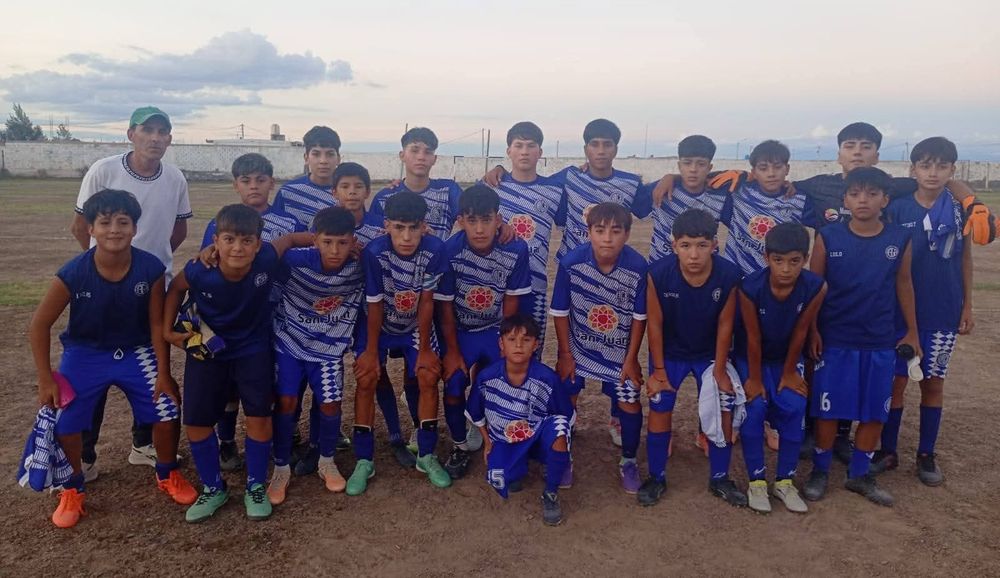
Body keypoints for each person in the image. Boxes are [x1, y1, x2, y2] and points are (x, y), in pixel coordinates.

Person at [30, 189, 196, 528]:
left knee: (166, 406)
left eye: (123, 222)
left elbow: (155, 325)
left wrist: (164, 373)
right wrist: (46, 377)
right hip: (85, 353)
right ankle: (72, 487)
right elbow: (39, 325)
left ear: (135, 228)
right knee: (67, 421)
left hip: (136, 351)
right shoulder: (74, 272)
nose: (114, 230)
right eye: (105, 222)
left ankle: (167, 473)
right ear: (90, 228)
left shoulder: (149, 267)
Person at [163, 205, 313, 522]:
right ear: (216, 241)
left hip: (253, 348)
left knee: (259, 415)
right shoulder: (200, 270)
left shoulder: (266, 259)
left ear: (258, 244)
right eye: (229, 239)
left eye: (246, 241)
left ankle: (255, 486)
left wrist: (330, 238)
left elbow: (289, 240)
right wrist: (166, 330)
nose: (237, 247)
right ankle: (213, 487)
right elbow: (176, 288)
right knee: (198, 422)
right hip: (208, 349)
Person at [70, 106, 191, 480]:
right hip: (103, 287)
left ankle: (144, 443)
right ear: (131, 134)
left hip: (154, 286)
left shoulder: (174, 177)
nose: (155, 137)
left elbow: (177, 232)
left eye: (162, 132)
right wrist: (104, 268)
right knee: (96, 363)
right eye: (147, 130)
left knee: (150, 362)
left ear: (169, 139)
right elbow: (81, 226)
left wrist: (149, 266)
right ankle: (86, 455)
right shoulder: (104, 171)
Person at [803, 167, 920, 507]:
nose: (863, 200)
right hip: (836, 339)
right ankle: (821, 470)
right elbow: (814, 288)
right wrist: (812, 330)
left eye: (871, 194)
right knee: (828, 411)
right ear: (845, 199)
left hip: (880, 340)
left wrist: (912, 330)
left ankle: (859, 474)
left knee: (873, 412)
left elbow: (904, 284)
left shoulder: (899, 238)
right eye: (855, 194)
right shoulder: (828, 236)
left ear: (885, 199)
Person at [873, 137, 974, 486]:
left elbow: (965, 257)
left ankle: (926, 454)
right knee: (896, 381)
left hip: (943, 309)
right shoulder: (898, 208)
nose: (933, 173)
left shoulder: (960, 208)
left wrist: (967, 305)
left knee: (932, 383)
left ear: (952, 170)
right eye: (926, 165)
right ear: (913, 169)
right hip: (900, 312)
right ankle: (888, 450)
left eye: (941, 166)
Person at [201, 153, 305, 472]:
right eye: (246, 181)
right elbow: (207, 264)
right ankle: (227, 440)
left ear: (272, 183)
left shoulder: (289, 224)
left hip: (278, 314)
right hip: (234, 317)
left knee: (282, 379)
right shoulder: (219, 223)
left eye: (261, 180)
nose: (254, 186)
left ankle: (288, 432)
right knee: (231, 383)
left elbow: (299, 266)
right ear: (236, 185)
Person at [348, 192, 451, 494]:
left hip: (413, 325)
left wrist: (427, 351)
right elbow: (375, 304)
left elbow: (427, 301)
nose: (407, 237)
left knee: (429, 375)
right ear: (386, 226)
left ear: (424, 226)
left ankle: (427, 454)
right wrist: (370, 351)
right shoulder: (374, 252)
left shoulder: (434, 250)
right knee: (366, 378)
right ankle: (363, 459)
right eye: (399, 227)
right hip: (378, 324)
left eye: (413, 228)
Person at [641, 208, 744, 507]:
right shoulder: (658, 274)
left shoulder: (728, 274)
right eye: (686, 245)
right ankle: (657, 476)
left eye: (702, 245)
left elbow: (726, 325)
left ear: (714, 244)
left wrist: (721, 368)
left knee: (722, 406)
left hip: (709, 354)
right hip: (671, 354)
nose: (694, 254)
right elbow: (655, 324)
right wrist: (658, 369)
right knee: (660, 406)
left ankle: (720, 477)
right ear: (674, 246)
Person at [268, 207, 365, 504]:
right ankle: (281, 466)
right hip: (290, 345)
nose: (334, 250)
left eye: (342, 242)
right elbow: (264, 260)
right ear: (315, 240)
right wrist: (291, 239)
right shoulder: (295, 262)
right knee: (286, 402)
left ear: (354, 242)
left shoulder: (362, 265)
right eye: (327, 242)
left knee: (331, 403)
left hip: (328, 350)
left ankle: (326, 460)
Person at [550, 203, 647, 492]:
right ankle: (562, 456)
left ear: (627, 234)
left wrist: (631, 360)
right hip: (579, 349)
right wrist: (566, 355)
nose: (607, 238)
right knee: (565, 396)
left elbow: (639, 318)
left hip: (618, 352)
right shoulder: (571, 263)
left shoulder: (638, 267)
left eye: (615, 231)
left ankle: (628, 461)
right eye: (600, 230)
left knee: (630, 401)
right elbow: (560, 312)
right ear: (588, 232)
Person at [436, 184, 531, 479]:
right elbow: (446, 310)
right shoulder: (448, 251)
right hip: (460, 330)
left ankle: (501, 438)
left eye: (486, 220)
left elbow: (511, 306)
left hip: (494, 328)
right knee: (453, 384)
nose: (479, 229)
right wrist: (451, 351)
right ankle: (460, 444)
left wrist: (506, 347)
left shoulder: (515, 249)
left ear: (498, 219)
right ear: (461, 220)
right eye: (472, 220)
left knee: (502, 380)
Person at [734, 223, 826, 513]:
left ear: (806, 258)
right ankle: (757, 482)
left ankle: (784, 481)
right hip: (752, 358)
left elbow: (801, 332)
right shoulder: (749, 287)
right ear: (766, 258)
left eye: (794, 261)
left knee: (794, 405)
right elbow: (752, 336)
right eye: (778, 261)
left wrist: (789, 372)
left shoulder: (815, 286)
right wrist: (755, 378)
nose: (786, 269)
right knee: (755, 407)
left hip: (786, 359)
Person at [331, 161, 416, 469]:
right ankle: (322, 443)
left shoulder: (382, 225)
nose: (352, 193)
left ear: (368, 191)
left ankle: (398, 436)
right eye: (345, 186)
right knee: (340, 374)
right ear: (335, 191)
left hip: (386, 312)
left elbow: (411, 235)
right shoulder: (329, 225)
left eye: (358, 186)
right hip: (342, 313)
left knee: (392, 374)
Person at [466, 313, 573, 526]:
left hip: (535, 434)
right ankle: (518, 463)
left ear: (536, 345)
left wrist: (555, 443)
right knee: (504, 479)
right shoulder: (487, 378)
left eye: (526, 340)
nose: (518, 346)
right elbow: (475, 414)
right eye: (511, 340)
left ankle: (550, 493)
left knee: (560, 429)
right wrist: (488, 442)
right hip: (504, 439)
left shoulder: (547, 378)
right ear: (501, 344)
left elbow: (564, 415)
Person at [486, 121, 565, 358]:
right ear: (508, 151)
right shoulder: (492, 186)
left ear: (540, 152)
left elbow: (570, 226)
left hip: (535, 286)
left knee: (531, 351)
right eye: (518, 145)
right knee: (492, 351)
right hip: (496, 283)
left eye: (531, 146)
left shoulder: (555, 191)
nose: (524, 151)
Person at [720, 140, 817, 276]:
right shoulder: (738, 191)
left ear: (787, 169)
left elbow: (825, 224)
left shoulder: (799, 200)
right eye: (763, 168)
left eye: (777, 167)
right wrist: (739, 174)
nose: (771, 173)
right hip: (737, 277)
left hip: (776, 281)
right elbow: (702, 181)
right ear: (753, 172)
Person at [641, 135, 727, 264]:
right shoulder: (660, 189)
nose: (693, 169)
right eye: (687, 163)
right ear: (679, 165)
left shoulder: (720, 195)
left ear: (709, 168)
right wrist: (670, 177)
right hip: (662, 269)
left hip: (704, 269)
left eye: (701, 164)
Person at [271, 125, 342, 227]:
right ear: (306, 158)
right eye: (316, 154)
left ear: (338, 159)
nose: (323, 161)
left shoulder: (347, 193)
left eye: (330, 154)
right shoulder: (288, 192)